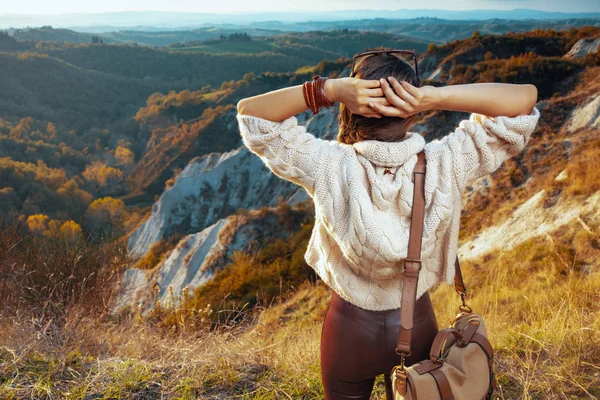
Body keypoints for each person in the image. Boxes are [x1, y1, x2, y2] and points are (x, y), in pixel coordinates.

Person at [236, 50, 540, 400]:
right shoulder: (446, 162)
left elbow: (252, 113)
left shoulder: (329, 166)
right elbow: (523, 101)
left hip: (349, 330)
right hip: (416, 322)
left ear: (352, 108)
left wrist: (330, 90)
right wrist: (433, 96)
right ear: (411, 114)